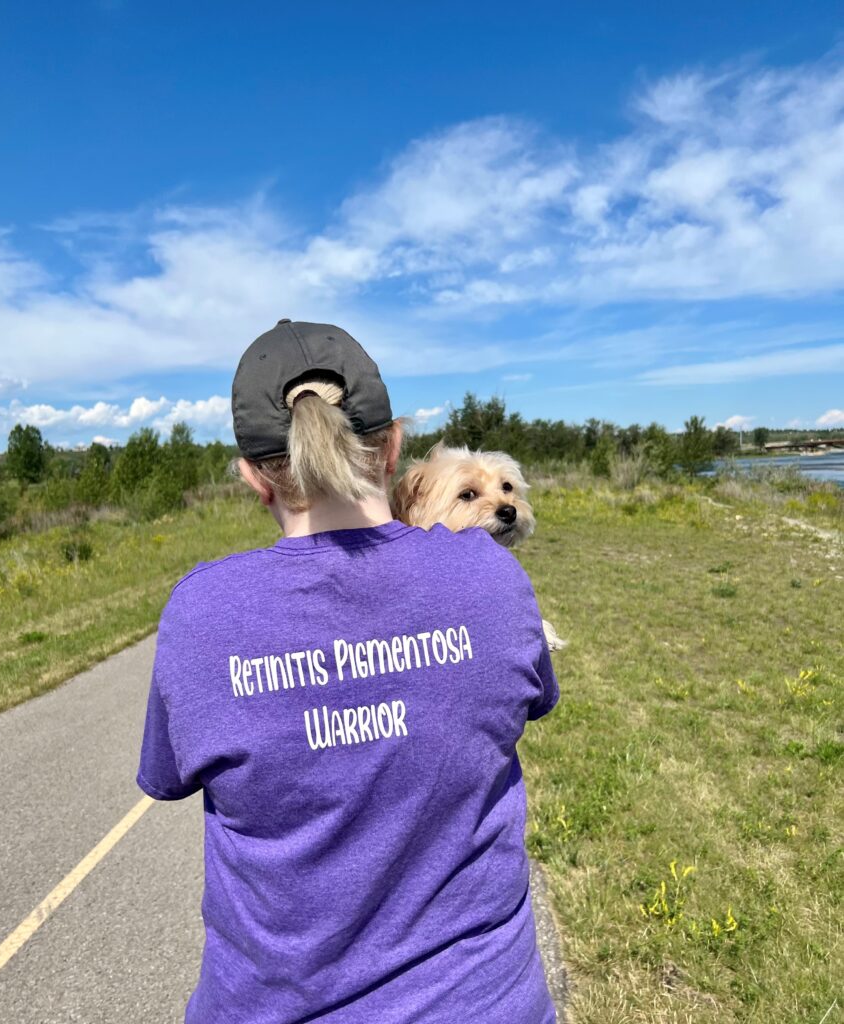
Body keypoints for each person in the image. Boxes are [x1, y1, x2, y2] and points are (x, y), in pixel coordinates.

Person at [136, 319, 560, 1024]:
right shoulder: (491, 575)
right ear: (393, 446)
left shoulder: (200, 615)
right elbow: (531, 702)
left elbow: (167, 777)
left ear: (251, 475)